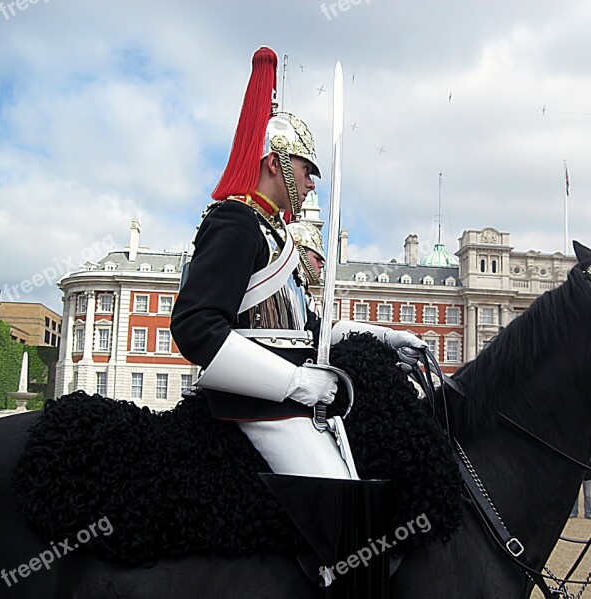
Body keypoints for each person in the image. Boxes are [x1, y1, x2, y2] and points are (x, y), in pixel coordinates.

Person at [171, 47, 424, 597]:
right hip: (259, 404)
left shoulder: (273, 236)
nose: (312, 183)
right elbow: (195, 327)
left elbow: (312, 331)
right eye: (308, 170)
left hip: (292, 400)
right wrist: (297, 382)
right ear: (276, 162)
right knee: (347, 519)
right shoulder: (235, 224)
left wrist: (386, 338)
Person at [571, 442, 591, 519]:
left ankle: (588, 513)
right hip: (576, 471)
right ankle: (573, 512)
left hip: (587, 472)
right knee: (575, 494)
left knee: (587, 494)